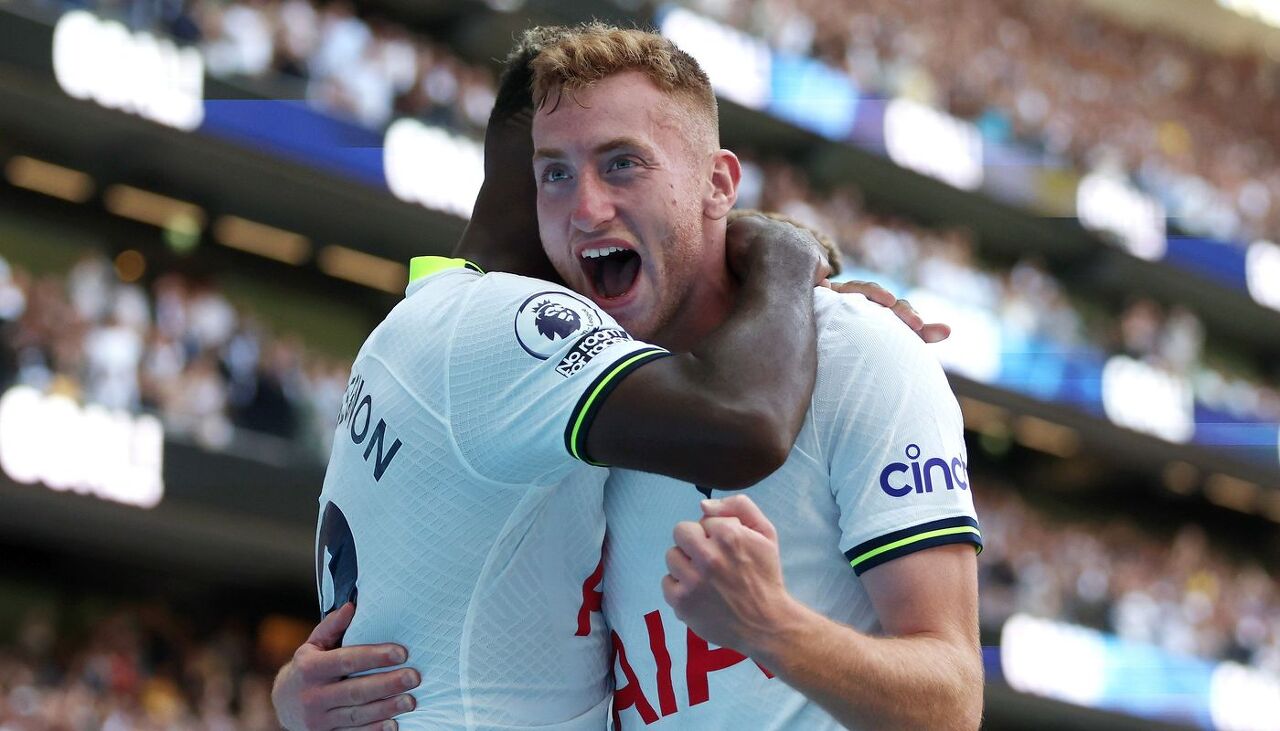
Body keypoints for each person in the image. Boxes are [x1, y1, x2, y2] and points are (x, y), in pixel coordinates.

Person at [275, 23, 976, 731]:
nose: (585, 210)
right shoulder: (588, 402)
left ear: (718, 184)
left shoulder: (858, 354)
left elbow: (952, 703)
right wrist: (784, 251)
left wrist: (775, 629)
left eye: (621, 165)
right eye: (555, 174)